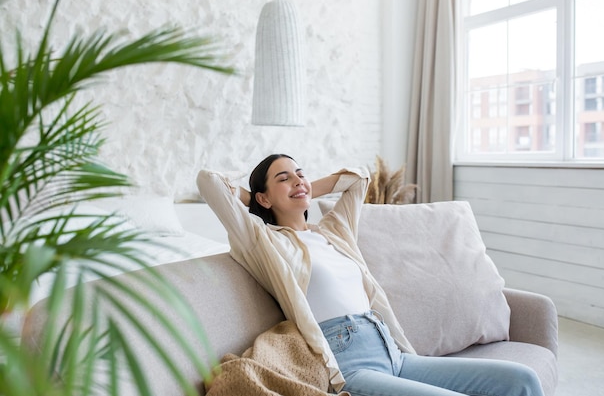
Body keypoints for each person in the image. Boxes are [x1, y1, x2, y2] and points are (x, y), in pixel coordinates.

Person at [196, 153, 545, 396]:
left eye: (300, 173)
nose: (298, 181)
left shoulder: (333, 231)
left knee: (522, 381)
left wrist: (298, 188)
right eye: (283, 178)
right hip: (349, 365)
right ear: (263, 198)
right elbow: (209, 182)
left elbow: (359, 178)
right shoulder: (265, 242)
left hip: (393, 353)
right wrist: (259, 201)